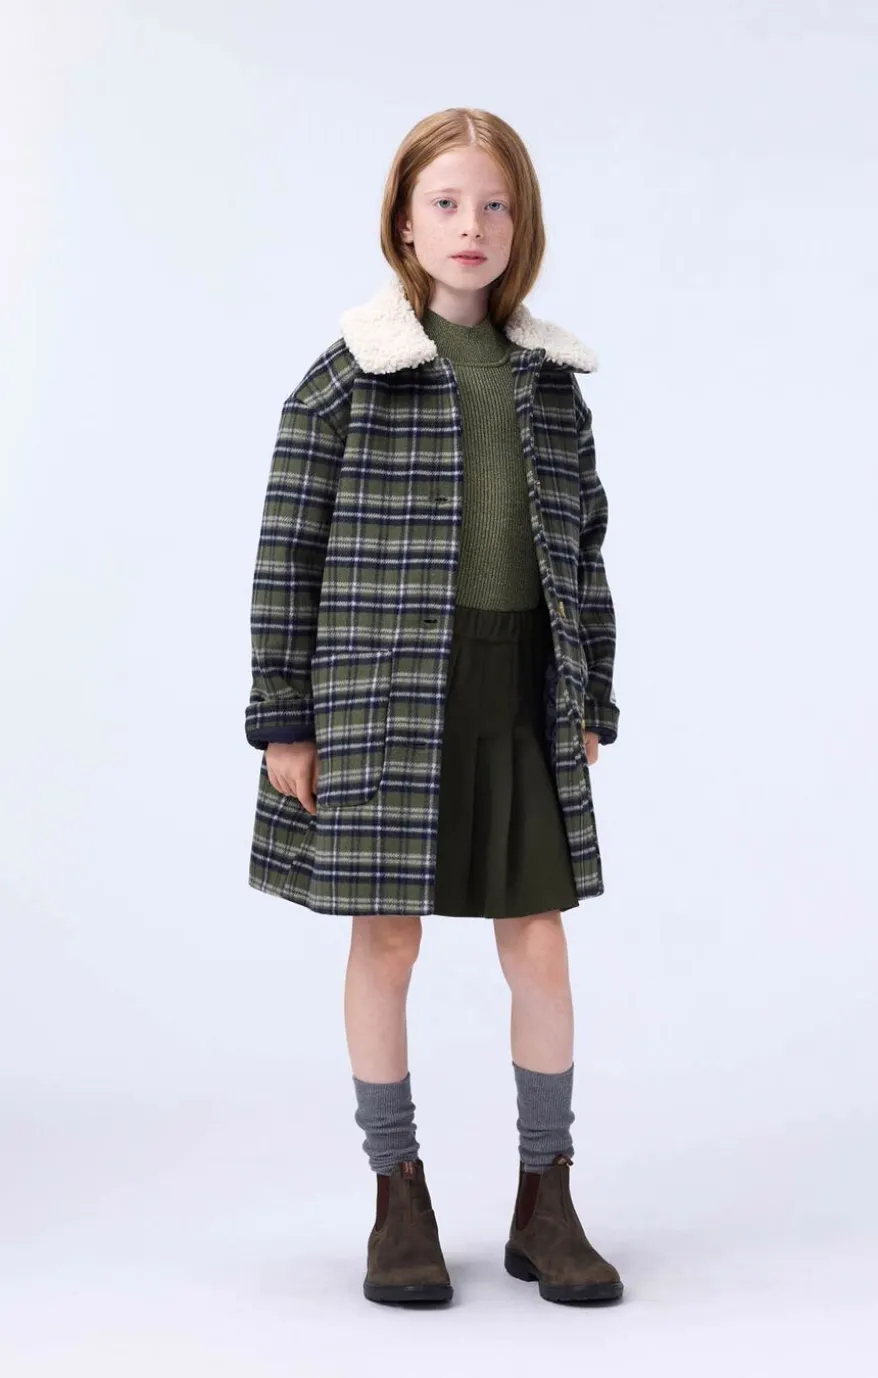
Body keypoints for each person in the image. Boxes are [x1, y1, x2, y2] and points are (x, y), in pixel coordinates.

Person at [244, 108, 622, 1306]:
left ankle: (545, 1196)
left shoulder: (550, 387)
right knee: (387, 937)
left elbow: (584, 549)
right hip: (382, 692)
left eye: (495, 204)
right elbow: (286, 552)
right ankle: (395, 1195)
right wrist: (283, 717)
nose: (472, 225)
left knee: (538, 936)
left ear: (522, 226)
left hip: (517, 687)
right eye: (447, 203)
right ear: (404, 223)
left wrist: (591, 694)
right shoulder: (348, 378)